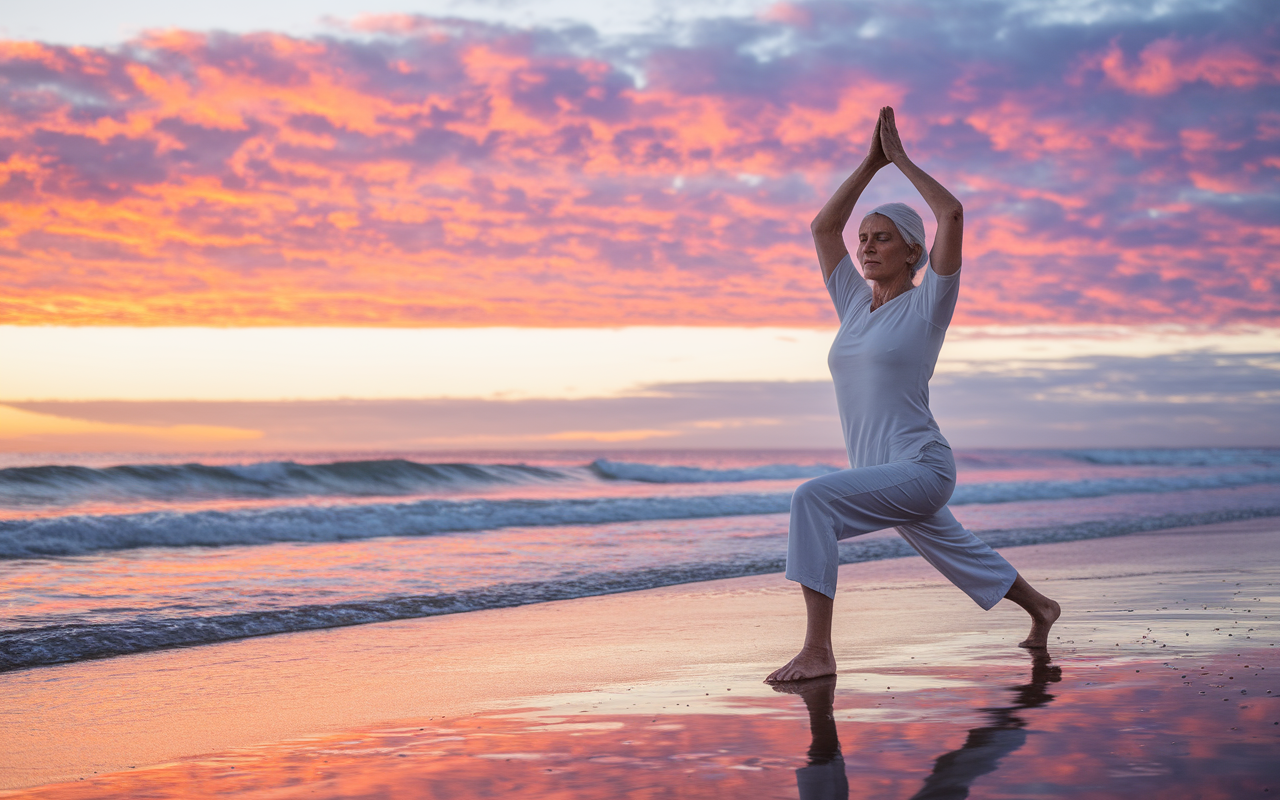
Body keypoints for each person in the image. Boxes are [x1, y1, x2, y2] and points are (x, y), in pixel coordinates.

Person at [766, 107, 1060, 684]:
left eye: (882, 239)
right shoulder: (853, 304)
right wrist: (868, 164)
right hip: (879, 470)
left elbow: (950, 211)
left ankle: (817, 650)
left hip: (920, 466)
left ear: (912, 251)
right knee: (955, 547)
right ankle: (1041, 608)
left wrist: (899, 160)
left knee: (813, 501)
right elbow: (823, 229)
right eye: (865, 240)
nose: (866, 247)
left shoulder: (928, 306)